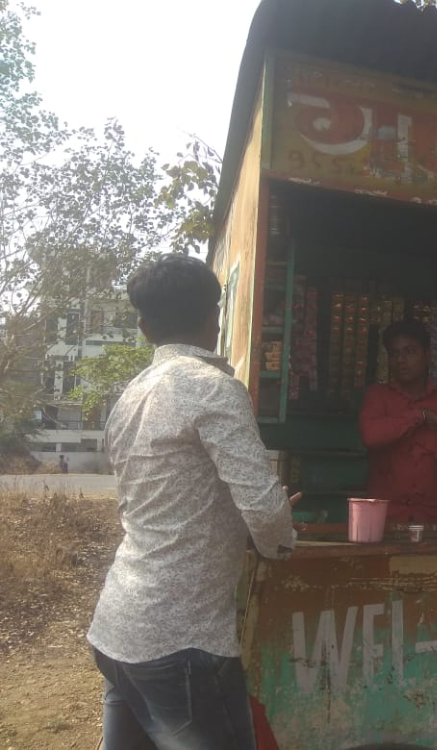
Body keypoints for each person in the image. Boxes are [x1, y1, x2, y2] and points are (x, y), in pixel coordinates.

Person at [87, 255, 299, 750]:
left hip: (119, 627)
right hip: (180, 640)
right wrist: (280, 539)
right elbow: (266, 513)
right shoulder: (213, 389)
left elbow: (161, 501)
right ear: (214, 317)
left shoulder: (131, 396)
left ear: (143, 327)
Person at [359, 319, 437, 523]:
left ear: (427, 356)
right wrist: (420, 416)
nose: (401, 359)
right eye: (394, 354)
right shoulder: (377, 396)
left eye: (410, 351)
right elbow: (371, 435)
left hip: (436, 519)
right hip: (385, 520)